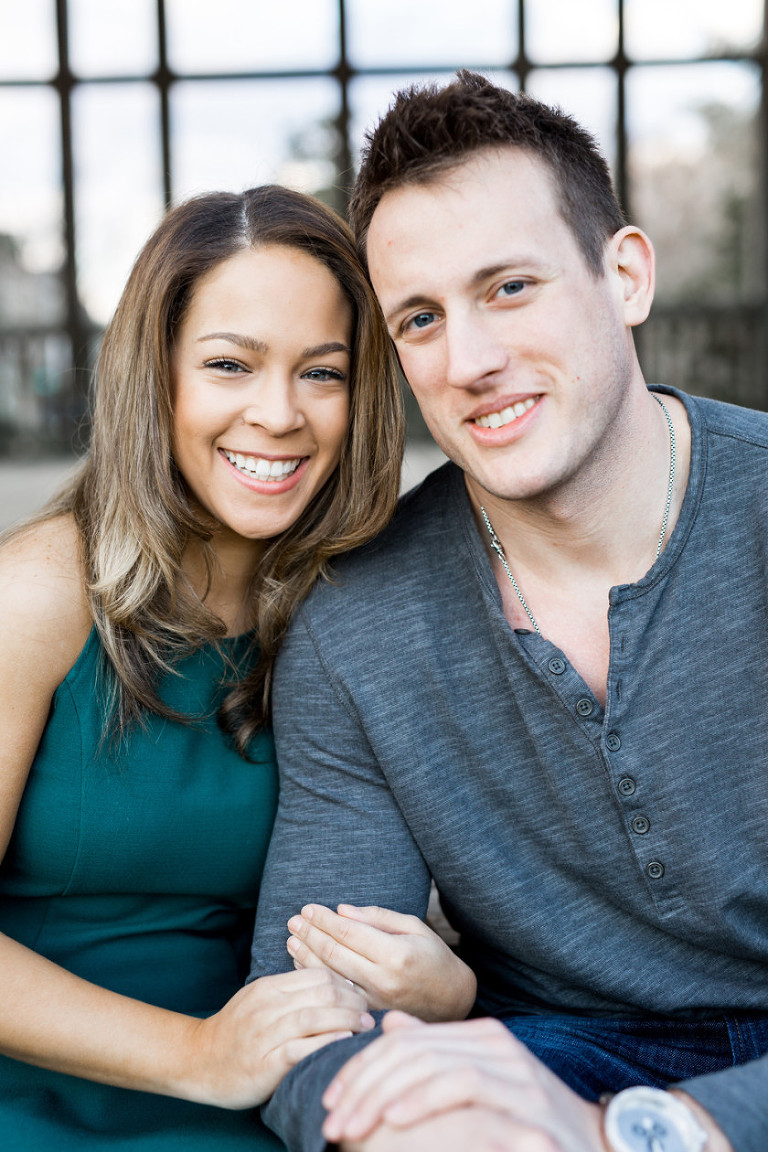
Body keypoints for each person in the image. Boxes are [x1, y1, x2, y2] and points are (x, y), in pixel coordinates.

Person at [248, 73, 768, 1152]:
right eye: (422, 318)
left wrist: (645, 1131)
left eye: (511, 288)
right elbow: (306, 1021)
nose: (470, 363)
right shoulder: (357, 627)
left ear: (624, 274)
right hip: (552, 1059)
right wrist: (408, 1118)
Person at [0, 184, 476, 1151]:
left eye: (323, 373)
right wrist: (196, 1057)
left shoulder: (352, 609)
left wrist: (452, 991)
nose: (279, 414)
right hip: (44, 1099)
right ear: (158, 378)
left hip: (269, 1098)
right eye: (229, 365)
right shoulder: (42, 590)